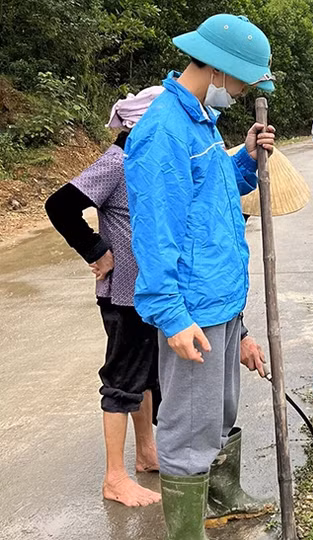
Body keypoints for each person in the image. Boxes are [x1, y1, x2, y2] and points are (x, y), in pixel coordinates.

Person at [123, 14, 276, 539]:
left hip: (222, 302)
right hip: (193, 308)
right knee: (189, 431)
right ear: (216, 69)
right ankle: (186, 531)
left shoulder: (200, 123)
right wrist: (171, 315)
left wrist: (248, 159)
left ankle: (218, 500)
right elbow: (155, 234)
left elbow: (213, 196)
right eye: (239, 82)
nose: (239, 92)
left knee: (219, 413)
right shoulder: (162, 130)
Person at [45, 87, 164, 508]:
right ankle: (114, 477)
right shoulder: (117, 162)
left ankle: (146, 454)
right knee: (122, 382)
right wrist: (97, 250)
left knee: (147, 376)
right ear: (142, 125)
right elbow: (60, 206)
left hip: (149, 293)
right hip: (123, 296)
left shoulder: (148, 164)